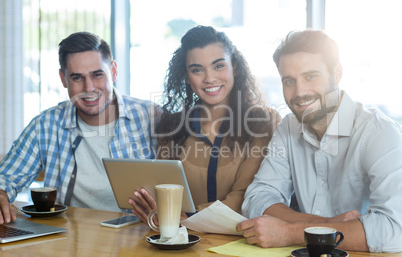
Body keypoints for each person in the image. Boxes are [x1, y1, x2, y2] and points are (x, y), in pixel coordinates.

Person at [236, 29, 402, 252]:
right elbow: (258, 197)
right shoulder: (288, 127)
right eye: (289, 81)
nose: (300, 92)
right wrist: (326, 225)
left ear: (337, 73)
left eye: (310, 76)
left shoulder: (380, 132)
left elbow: (394, 230)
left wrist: (290, 232)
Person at [0, 32, 158, 223]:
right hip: (68, 242)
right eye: (77, 78)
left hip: (138, 239)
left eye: (97, 75)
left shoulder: (151, 118)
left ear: (114, 71)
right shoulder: (45, 125)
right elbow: (6, 178)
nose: (89, 88)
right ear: (63, 78)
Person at [129, 25, 280, 223]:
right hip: (183, 243)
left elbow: (244, 195)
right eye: (197, 70)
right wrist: (154, 209)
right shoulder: (173, 127)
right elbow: (163, 189)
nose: (209, 78)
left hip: (238, 243)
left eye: (218, 66)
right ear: (187, 77)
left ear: (234, 66)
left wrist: (186, 217)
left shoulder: (262, 123)